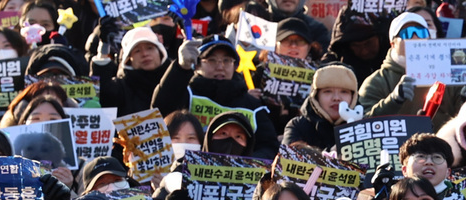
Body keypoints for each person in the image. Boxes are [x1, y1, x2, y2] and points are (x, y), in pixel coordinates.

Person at [152, 36, 280, 159]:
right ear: (197, 65)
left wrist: (244, 161)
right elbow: (160, 111)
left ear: (235, 66)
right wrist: (180, 68)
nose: (220, 67)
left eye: (227, 60)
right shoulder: (186, 94)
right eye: (212, 60)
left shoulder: (253, 106)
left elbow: (269, 146)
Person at [358, 13, 466, 129]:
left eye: (421, 32)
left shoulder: (448, 75)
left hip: (443, 148)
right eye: (407, 34)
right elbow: (363, 125)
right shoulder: (376, 82)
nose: (415, 37)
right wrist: (394, 100)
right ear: (393, 44)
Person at [283, 63, 361, 149]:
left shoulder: (368, 127)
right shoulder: (298, 126)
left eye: (344, 92)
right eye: (328, 91)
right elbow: (288, 159)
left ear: (353, 96)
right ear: (316, 96)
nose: (336, 98)